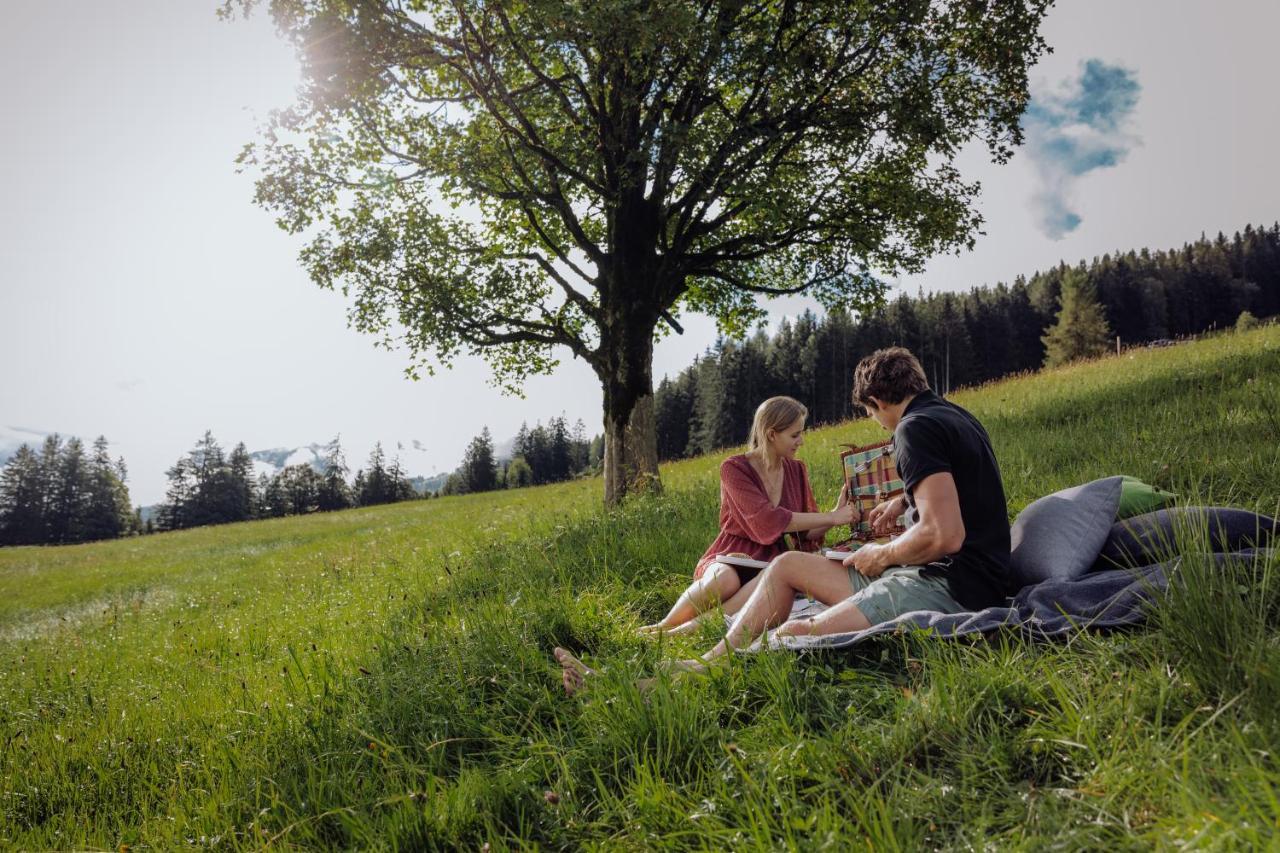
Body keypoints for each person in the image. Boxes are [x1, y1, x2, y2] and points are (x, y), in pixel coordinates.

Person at [557, 347, 1011, 693]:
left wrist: (882, 553)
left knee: (796, 630)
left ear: (875, 401)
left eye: (870, 415)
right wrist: (902, 505)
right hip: (954, 573)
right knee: (787, 566)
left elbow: (944, 534)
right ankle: (704, 659)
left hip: (950, 586)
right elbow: (957, 503)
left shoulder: (913, 430)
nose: (878, 426)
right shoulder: (950, 415)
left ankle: (668, 685)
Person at [638, 396, 858, 637]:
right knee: (726, 580)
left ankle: (686, 631)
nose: (801, 441)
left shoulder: (796, 470)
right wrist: (832, 517)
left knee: (768, 575)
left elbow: (805, 534)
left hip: (770, 561)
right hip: (730, 554)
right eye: (795, 435)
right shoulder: (734, 468)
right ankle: (663, 626)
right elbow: (767, 521)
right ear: (772, 434)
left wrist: (836, 512)